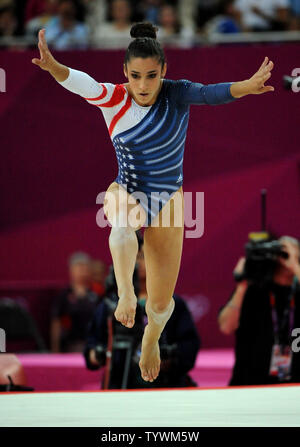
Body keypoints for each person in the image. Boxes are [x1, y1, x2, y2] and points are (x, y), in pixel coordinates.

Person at [32, 21, 274, 382]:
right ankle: (127, 296)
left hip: (168, 200)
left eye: (151, 76)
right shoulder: (115, 97)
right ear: (124, 72)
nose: (143, 86)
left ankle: (151, 335)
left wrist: (246, 87)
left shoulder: (176, 93)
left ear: (164, 71)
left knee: (162, 304)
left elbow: (210, 94)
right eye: (135, 76)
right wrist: (55, 69)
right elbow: (83, 83)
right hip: (126, 188)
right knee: (122, 221)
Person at [84, 235, 201, 388]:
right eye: (136, 257)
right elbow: (93, 344)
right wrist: (98, 355)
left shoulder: (172, 304)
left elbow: (189, 344)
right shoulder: (111, 305)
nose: (139, 263)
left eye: (144, 257)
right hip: (122, 385)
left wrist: (169, 358)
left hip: (165, 385)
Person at [218, 236, 300, 385]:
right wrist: (241, 285)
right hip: (250, 382)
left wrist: (296, 266)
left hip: (294, 384)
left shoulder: (297, 289)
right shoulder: (253, 289)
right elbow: (226, 326)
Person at [50, 251, 100, 352]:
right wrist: (55, 349)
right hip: (70, 346)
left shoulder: (96, 293)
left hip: (93, 345)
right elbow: (56, 323)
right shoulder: (64, 295)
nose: (83, 271)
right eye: (79, 267)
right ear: (71, 270)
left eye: (86, 267)